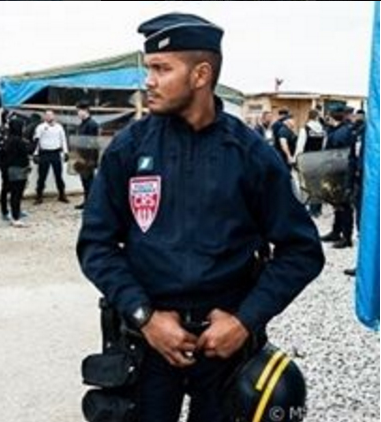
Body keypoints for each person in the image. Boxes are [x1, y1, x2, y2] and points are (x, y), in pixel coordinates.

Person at [77, 13, 325, 422]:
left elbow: (301, 250)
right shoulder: (129, 149)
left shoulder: (250, 155)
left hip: (225, 348)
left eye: (161, 68)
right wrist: (145, 316)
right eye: (149, 68)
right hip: (148, 345)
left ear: (200, 75)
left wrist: (245, 320)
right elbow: (96, 245)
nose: (149, 81)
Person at [321, 106, 357, 249]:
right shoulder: (340, 131)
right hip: (339, 172)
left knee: (344, 206)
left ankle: (346, 237)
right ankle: (337, 231)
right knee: (338, 204)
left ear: (331, 116)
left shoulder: (341, 133)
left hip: (340, 173)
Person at [345, 110, 366, 277]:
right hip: (361, 184)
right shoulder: (359, 132)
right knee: (362, 226)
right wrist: (349, 184)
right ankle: (364, 264)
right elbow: (352, 159)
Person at [32, 110, 69, 205]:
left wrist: (65, 152)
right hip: (44, 153)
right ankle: (39, 195)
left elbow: (63, 140)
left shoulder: (59, 127)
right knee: (42, 176)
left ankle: (62, 194)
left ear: (54, 116)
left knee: (58, 175)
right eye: (47, 115)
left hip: (56, 153)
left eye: (51, 115)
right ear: (44, 117)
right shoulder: (40, 127)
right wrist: (35, 153)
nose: (49, 117)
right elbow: (37, 141)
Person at [295, 109, 327, 217]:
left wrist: (296, 160)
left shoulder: (305, 129)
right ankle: (317, 209)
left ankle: (310, 209)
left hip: (308, 159)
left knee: (308, 185)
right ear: (317, 117)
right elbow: (324, 146)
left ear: (308, 117)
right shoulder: (323, 130)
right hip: (319, 159)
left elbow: (300, 146)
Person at [2, 118, 33, 228]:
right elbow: (28, 151)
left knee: (13, 193)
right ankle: (15, 217)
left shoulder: (8, 139)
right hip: (18, 169)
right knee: (17, 194)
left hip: (11, 169)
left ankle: (14, 213)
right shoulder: (18, 141)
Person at [74, 102, 100, 210]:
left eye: (79, 111)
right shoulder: (82, 124)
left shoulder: (92, 124)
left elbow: (94, 143)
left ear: (85, 110)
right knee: (84, 181)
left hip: (88, 157)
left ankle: (92, 203)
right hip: (82, 156)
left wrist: (93, 160)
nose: (78, 113)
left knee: (89, 181)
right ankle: (87, 201)